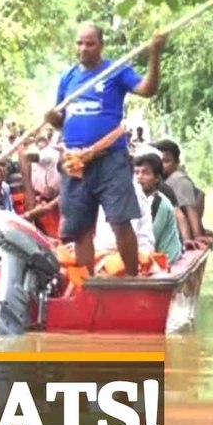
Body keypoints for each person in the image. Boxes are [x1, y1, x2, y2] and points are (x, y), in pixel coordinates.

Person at [45, 23, 166, 277]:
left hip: (110, 158)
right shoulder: (68, 78)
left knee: (120, 220)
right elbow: (61, 120)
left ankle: (132, 279)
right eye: (79, 43)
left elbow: (148, 89)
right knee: (81, 228)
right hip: (75, 162)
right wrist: (52, 118)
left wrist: (155, 53)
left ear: (101, 45)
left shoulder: (115, 71)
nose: (83, 48)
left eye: (89, 43)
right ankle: (88, 284)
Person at [151, 138, 213, 247]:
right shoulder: (162, 181)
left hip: (182, 235)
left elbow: (190, 210)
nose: (162, 166)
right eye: (160, 162)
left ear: (177, 163)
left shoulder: (178, 179)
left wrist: (197, 236)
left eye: (167, 161)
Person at [133, 152, 183, 262]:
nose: (139, 177)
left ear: (157, 178)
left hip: (167, 260)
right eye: (136, 172)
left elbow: (150, 237)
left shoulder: (161, 203)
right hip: (149, 257)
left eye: (146, 173)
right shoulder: (136, 199)